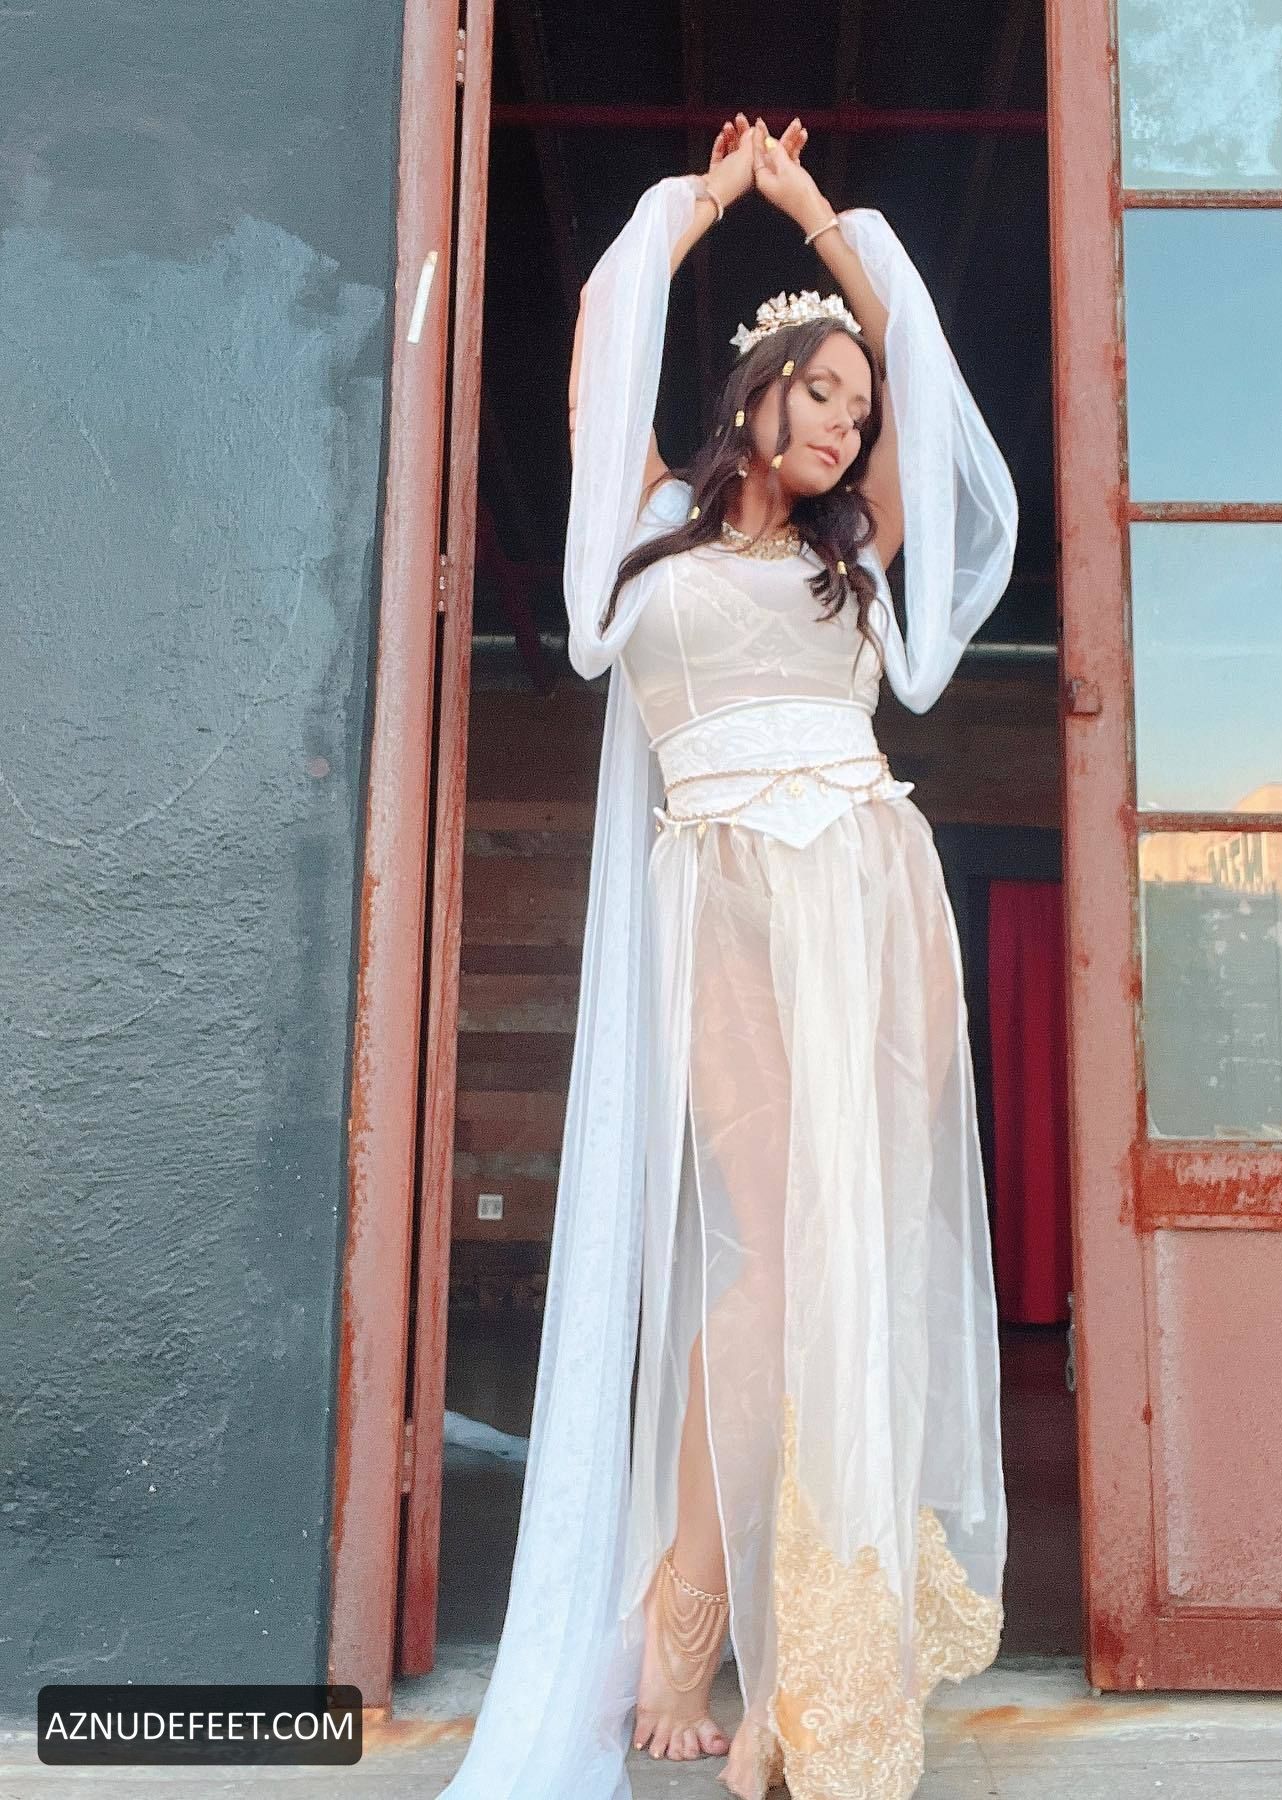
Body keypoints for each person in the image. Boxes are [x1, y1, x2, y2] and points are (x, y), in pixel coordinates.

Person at [435, 114, 1016, 1800]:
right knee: (765, 1258)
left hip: (868, 893)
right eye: (821, 398)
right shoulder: (647, 520)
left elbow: (923, 374)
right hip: (726, 900)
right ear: (755, 394)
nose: (845, 428)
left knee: (853, 1258)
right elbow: (603, 333)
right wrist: (710, 199)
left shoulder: (857, 552)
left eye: (859, 414)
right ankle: (688, 1621)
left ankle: (797, 1652)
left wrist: (824, 218)